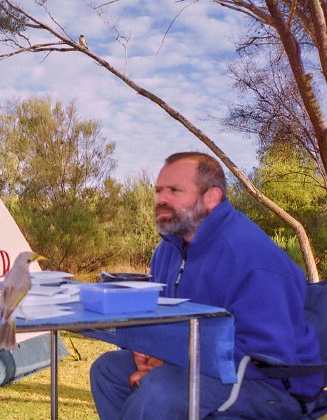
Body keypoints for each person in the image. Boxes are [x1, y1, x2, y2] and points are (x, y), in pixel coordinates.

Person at [90, 152, 323, 419]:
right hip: (199, 364)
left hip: (274, 386)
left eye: (175, 190)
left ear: (211, 198)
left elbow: (266, 356)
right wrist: (149, 352)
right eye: (159, 191)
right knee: (107, 371)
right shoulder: (167, 250)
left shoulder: (251, 257)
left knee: (159, 391)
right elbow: (161, 318)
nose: (161, 200)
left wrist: (170, 360)